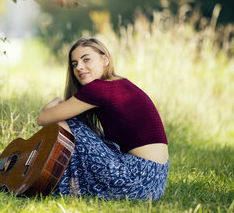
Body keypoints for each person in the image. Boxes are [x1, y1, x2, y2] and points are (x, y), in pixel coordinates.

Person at [37, 37, 169, 200]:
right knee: (85, 130)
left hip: (135, 178)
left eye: (86, 59)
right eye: (74, 64)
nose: (79, 67)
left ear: (105, 59)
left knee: (66, 122)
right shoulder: (120, 84)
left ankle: (63, 184)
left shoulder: (98, 89)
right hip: (155, 182)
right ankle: (71, 186)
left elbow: (43, 118)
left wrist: (58, 100)